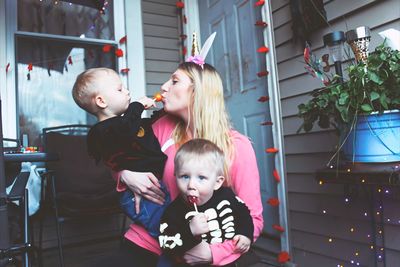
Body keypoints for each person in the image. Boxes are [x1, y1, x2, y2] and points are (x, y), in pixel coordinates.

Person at [110, 61, 264, 267]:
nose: (164, 87)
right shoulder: (161, 128)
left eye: (174, 81)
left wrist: (214, 253)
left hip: (202, 248)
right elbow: (116, 153)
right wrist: (124, 173)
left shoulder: (237, 147)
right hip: (150, 239)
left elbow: (253, 218)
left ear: (197, 92)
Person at [72, 67, 169, 238]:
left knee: (174, 228)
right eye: (120, 89)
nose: (127, 91)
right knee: (168, 234)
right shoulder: (103, 131)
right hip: (137, 195)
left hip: (154, 187)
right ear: (102, 101)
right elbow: (125, 129)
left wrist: (161, 113)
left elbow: (142, 128)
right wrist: (137, 106)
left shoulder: (124, 126)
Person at [158, 138, 254, 267]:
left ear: (217, 182)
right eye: (185, 176)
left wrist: (245, 234)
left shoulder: (227, 196)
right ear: (175, 176)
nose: (191, 185)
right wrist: (189, 231)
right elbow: (166, 244)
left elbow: (244, 214)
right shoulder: (174, 211)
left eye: (201, 178)